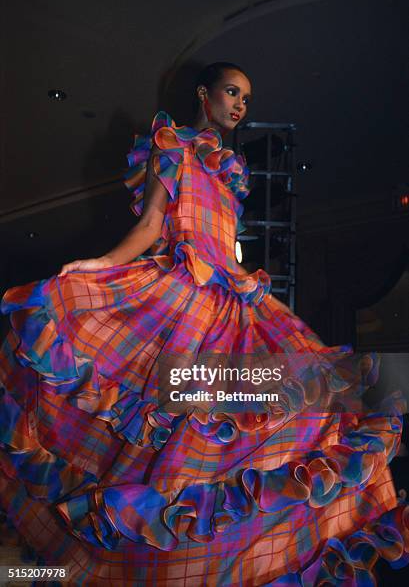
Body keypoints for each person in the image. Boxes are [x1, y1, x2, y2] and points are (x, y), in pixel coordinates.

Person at [0, 62, 408, 586]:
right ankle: (142, 545)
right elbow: (151, 224)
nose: (239, 105)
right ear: (203, 93)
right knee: (170, 425)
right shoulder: (171, 144)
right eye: (231, 92)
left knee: (309, 406)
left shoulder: (231, 170)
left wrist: (245, 286)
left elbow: (225, 246)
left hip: (233, 296)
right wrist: (102, 266)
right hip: (184, 294)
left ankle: (246, 550)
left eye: (247, 99)